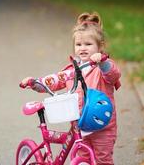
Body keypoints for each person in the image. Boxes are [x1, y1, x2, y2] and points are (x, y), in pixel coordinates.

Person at [20, 12, 121, 165]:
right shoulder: (72, 71)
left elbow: (113, 75)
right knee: (82, 158)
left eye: (88, 44)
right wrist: (34, 82)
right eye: (78, 44)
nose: (83, 48)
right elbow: (53, 81)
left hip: (102, 126)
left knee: (103, 160)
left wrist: (102, 62)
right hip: (80, 126)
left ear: (100, 47)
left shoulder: (102, 68)